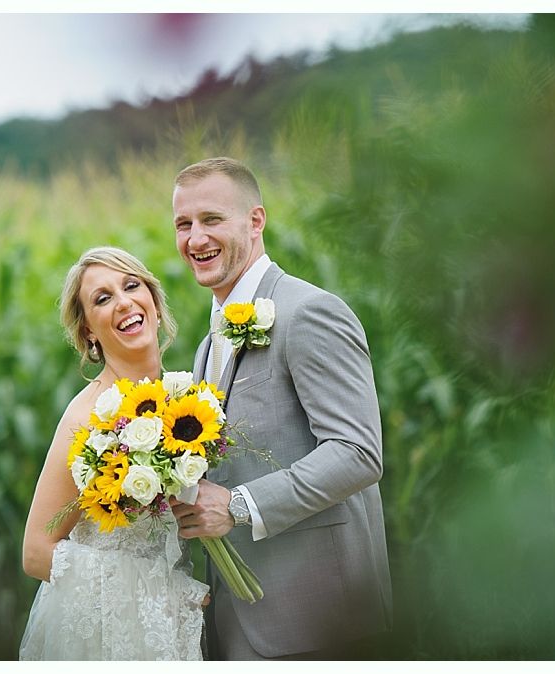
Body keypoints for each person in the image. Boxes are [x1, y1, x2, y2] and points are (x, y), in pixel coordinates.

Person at [168, 157, 392, 659]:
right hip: (237, 625)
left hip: (320, 622)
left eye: (211, 220)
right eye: (184, 224)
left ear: (255, 220)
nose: (195, 239)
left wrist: (239, 506)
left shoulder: (308, 312)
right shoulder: (208, 344)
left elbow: (358, 452)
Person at [19, 246, 208, 660]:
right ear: (89, 331)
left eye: (131, 285)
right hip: (110, 636)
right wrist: (167, 596)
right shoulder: (86, 417)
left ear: (154, 302)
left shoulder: (186, 400)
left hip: (174, 632)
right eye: (102, 299)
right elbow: (35, 552)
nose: (123, 302)